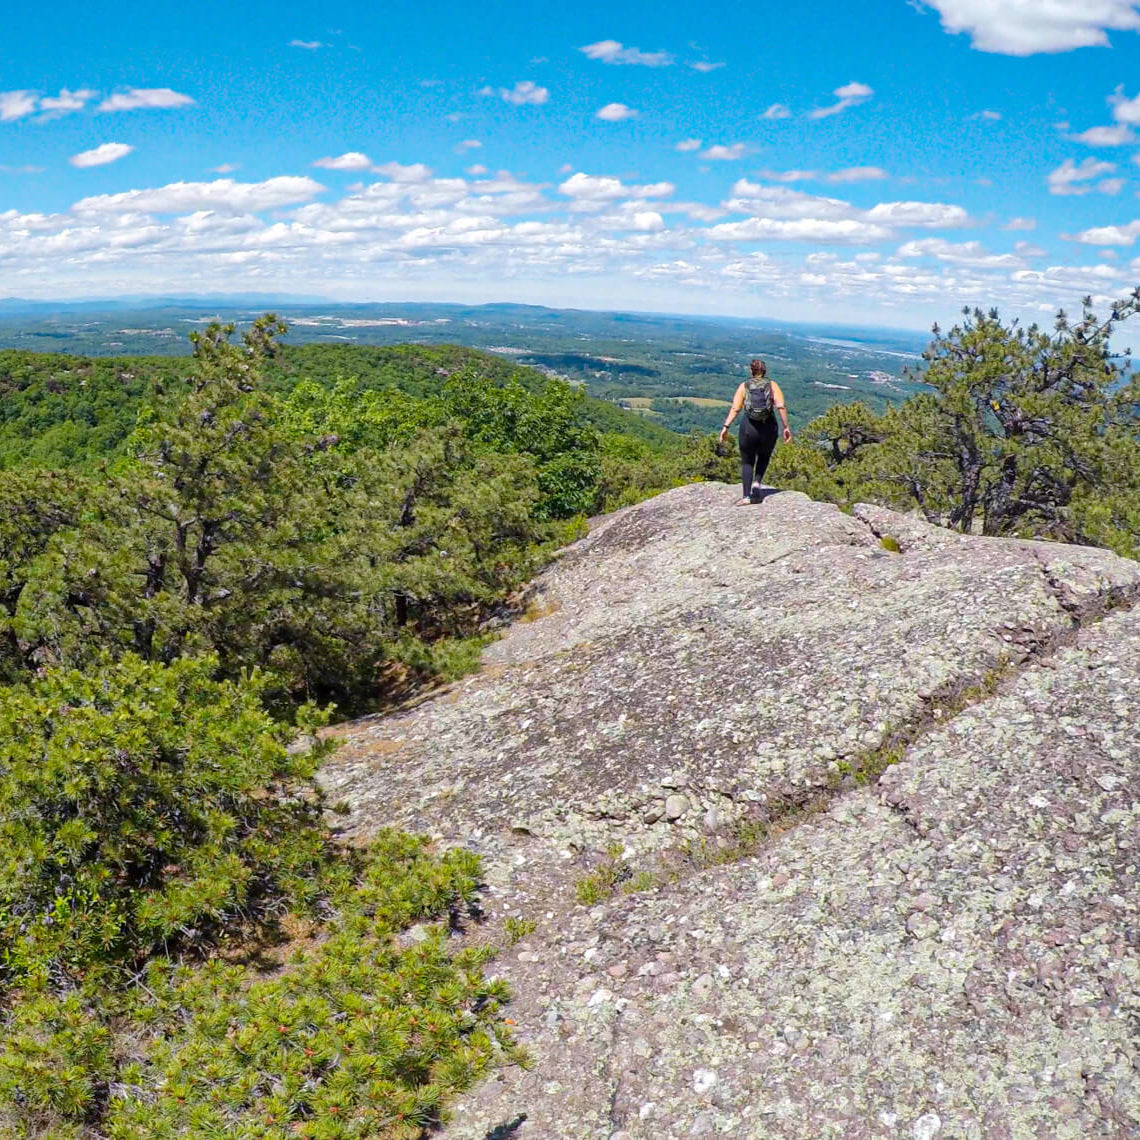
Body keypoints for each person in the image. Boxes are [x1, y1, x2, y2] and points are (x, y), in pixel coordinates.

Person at [718, 359, 792, 504]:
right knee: (764, 456)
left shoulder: (744, 386)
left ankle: (746, 496)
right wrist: (786, 427)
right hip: (768, 426)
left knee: (747, 462)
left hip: (748, 427)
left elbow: (735, 408)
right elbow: (780, 406)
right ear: (765, 371)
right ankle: (757, 483)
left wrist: (725, 427)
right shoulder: (772, 385)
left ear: (751, 371)